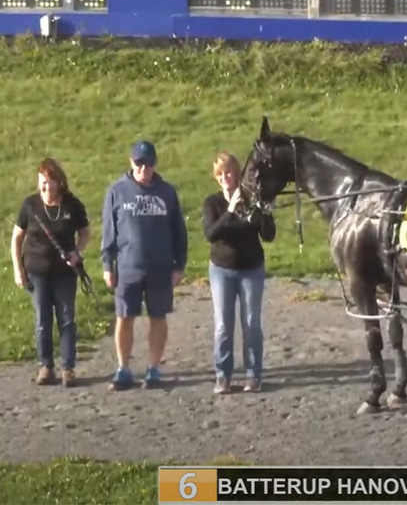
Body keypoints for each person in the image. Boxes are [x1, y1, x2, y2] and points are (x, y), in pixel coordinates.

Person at [100, 140, 188, 391]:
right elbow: (109, 232)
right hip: (128, 267)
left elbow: (179, 231)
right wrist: (108, 264)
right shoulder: (117, 191)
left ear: (154, 164)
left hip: (160, 267)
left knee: (158, 317)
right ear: (131, 162)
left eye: (148, 163)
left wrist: (179, 265)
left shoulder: (167, 192)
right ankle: (123, 369)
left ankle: (153, 368)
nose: (143, 168)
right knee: (124, 317)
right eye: (139, 163)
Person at [10, 158, 91, 387]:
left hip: (64, 272)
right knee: (42, 320)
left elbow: (85, 233)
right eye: (42, 182)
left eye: (50, 182)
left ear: (59, 183)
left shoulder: (72, 206)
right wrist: (18, 269)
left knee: (67, 319)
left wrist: (77, 252)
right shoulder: (30, 205)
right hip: (36, 272)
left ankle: (68, 368)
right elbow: (16, 239)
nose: (46, 187)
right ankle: (46, 366)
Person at [202, 151, 276, 394]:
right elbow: (211, 234)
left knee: (252, 323)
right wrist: (230, 211)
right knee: (223, 325)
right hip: (222, 270)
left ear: (237, 173)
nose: (225, 177)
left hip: (251, 268)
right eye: (220, 174)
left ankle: (253, 375)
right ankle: (223, 377)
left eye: (229, 172)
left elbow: (268, 235)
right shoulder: (212, 203)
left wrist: (265, 213)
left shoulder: (251, 199)